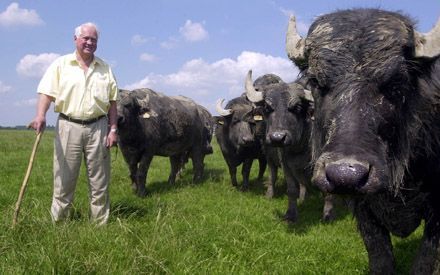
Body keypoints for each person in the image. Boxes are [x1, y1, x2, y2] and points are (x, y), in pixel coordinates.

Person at [29, 22, 118, 225]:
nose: (89, 42)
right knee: (64, 178)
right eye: (85, 38)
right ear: (75, 39)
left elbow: (113, 102)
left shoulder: (105, 68)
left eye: (93, 39)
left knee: (100, 180)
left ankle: (99, 225)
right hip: (68, 126)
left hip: (99, 127)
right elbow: (46, 93)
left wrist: (113, 129)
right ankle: (59, 223)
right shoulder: (61, 65)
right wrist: (40, 115)